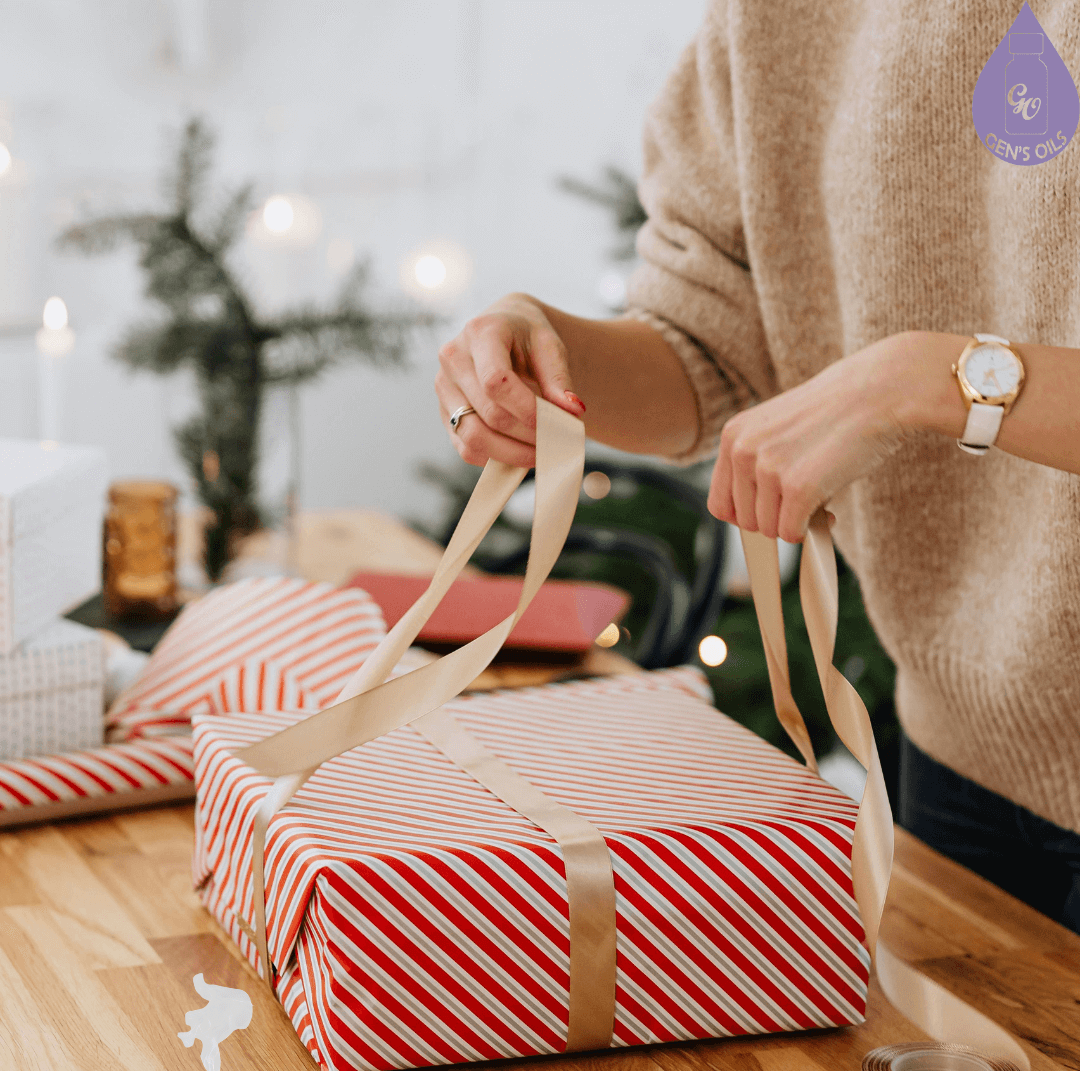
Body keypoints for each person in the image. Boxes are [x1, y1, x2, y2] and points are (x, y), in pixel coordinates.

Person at [433, 2, 1080, 934]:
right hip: (955, 760)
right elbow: (710, 341)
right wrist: (549, 357)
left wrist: (931, 381)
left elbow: (906, 381)